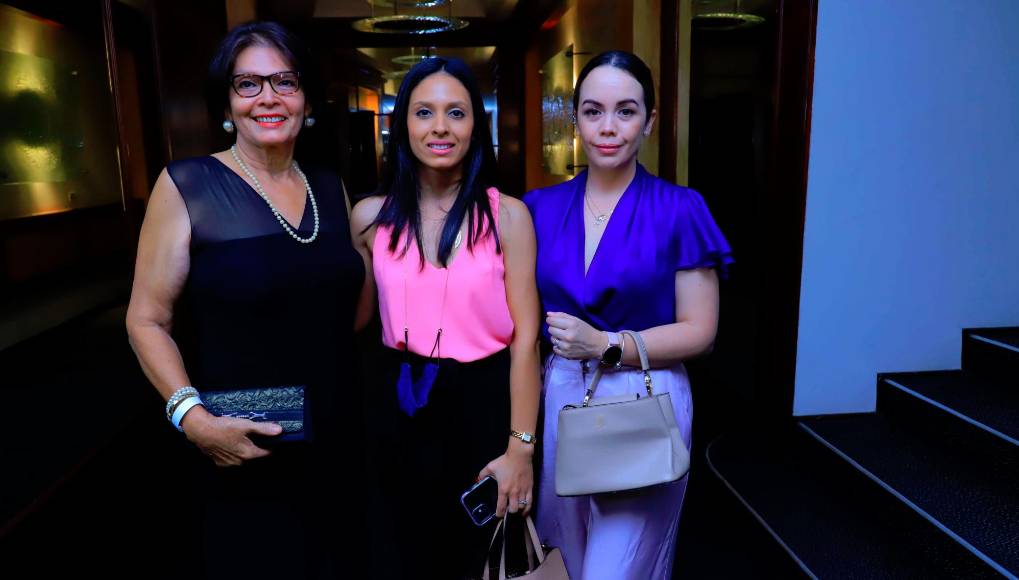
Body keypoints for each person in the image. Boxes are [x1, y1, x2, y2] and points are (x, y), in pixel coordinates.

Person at [125, 21, 367, 578]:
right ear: (226, 104)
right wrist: (193, 419)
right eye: (248, 84)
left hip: (337, 433)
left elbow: (353, 311)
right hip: (240, 440)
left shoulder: (330, 187)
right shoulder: (188, 184)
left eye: (284, 80)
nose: (269, 98)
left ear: (306, 99)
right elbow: (146, 320)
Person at [524, 50, 734, 580]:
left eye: (626, 111)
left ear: (651, 120)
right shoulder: (537, 209)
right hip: (563, 396)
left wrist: (607, 345)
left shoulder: (681, 208)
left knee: (613, 570)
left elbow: (701, 331)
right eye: (593, 111)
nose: (608, 128)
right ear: (574, 119)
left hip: (646, 394)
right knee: (568, 559)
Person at [350, 57, 541, 579]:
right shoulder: (369, 217)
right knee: (400, 549)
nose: (439, 127)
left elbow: (526, 341)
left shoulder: (508, 215)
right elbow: (356, 318)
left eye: (456, 113)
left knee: (479, 556)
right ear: (402, 125)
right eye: (424, 112)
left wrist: (520, 448)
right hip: (397, 400)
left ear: (476, 124)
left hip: (483, 402)